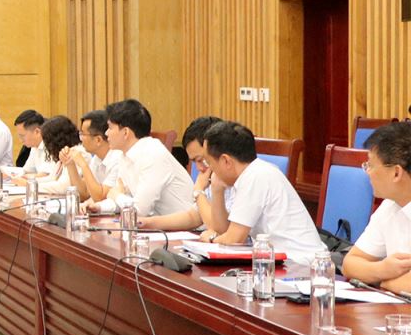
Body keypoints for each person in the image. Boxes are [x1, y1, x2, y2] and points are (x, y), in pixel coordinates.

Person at [193, 120, 325, 260]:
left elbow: (234, 240)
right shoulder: (250, 174)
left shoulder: (256, 176)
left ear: (226, 161)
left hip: (301, 264)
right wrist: (217, 189)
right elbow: (224, 230)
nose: (209, 169)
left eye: (209, 162)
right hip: (278, 261)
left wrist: (212, 239)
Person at [86, 98, 196, 218]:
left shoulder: (153, 154)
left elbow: (139, 210)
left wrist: (116, 195)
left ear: (125, 132)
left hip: (185, 227)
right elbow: (125, 198)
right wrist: (99, 207)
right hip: (154, 225)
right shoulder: (124, 155)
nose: (106, 133)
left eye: (110, 128)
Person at [341, 122, 411, 293]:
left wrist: (385, 283)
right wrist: (383, 270)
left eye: (370, 165)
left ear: (396, 172)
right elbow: (350, 264)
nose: (367, 172)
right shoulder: (390, 206)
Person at [140, 115, 224, 233]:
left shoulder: (238, 179)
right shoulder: (212, 179)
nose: (199, 168)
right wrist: (146, 223)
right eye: (194, 162)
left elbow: (217, 228)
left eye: (201, 160)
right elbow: (193, 217)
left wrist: (198, 191)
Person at [59, 110, 121, 202]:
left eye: (83, 134)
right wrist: (70, 164)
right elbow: (83, 194)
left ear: (98, 140)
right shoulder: (97, 158)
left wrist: (83, 164)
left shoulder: (117, 159)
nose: (80, 139)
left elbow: (100, 197)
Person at [20, 115, 80, 187]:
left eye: (48, 141)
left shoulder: (77, 153)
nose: (47, 145)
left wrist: (28, 184)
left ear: (57, 140)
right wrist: (30, 181)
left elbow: (63, 186)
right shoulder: (63, 154)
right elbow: (52, 178)